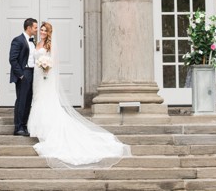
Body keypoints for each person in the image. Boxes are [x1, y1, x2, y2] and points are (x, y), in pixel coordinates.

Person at [27, 21, 131, 168]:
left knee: (46, 100)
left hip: (46, 77)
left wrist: (46, 66)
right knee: (37, 99)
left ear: (49, 33)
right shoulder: (37, 43)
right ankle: (39, 128)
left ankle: (48, 129)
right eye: (41, 30)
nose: (42, 32)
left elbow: (54, 63)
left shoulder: (50, 46)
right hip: (36, 77)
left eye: (45, 30)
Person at [9, 17, 38, 136]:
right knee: (21, 100)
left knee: (28, 100)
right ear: (29, 27)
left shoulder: (33, 41)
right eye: (35, 28)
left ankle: (24, 125)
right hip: (24, 73)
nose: (36, 30)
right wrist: (21, 75)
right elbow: (12, 59)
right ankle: (18, 127)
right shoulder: (18, 40)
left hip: (33, 73)